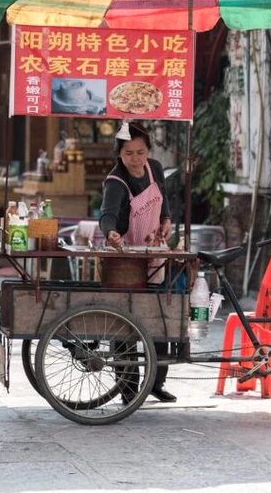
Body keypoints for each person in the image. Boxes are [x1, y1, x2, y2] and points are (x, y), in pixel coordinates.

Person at [98, 122, 176, 404]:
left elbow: (164, 201)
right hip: (125, 260)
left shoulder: (155, 168)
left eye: (140, 152)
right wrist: (110, 233)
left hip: (154, 253)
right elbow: (107, 215)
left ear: (148, 151)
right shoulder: (115, 181)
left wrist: (166, 220)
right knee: (125, 323)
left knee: (159, 317)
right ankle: (127, 386)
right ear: (119, 154)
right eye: (128, 153)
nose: (135, 159)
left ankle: (156, 382)